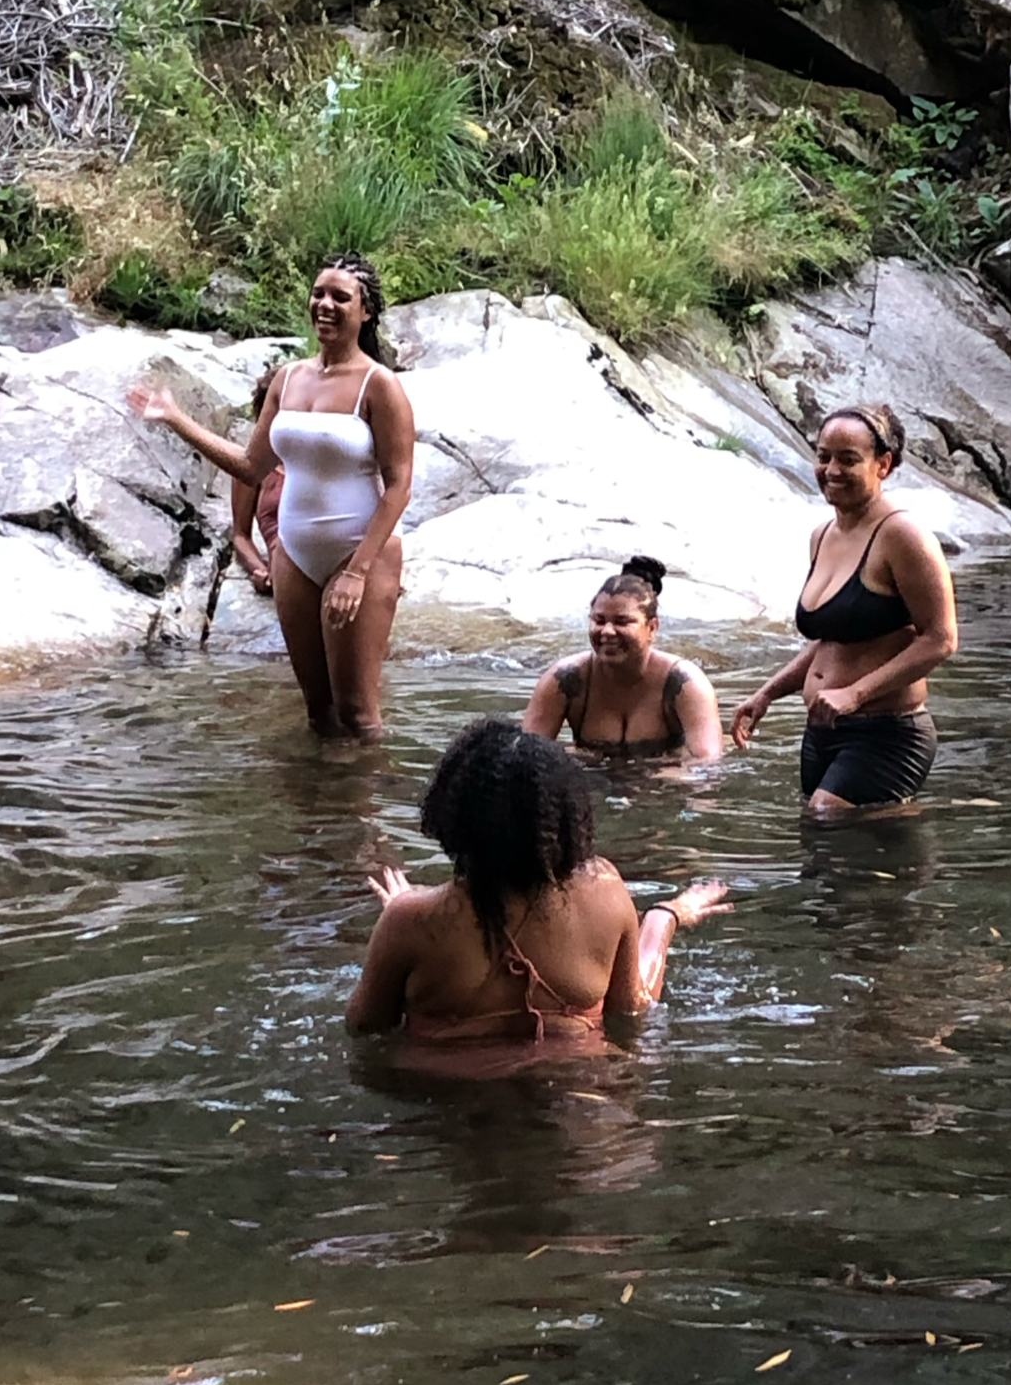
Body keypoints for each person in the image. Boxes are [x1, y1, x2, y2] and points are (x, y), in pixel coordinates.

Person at [129, 252, 415, 737]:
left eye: (340, 297)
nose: (324, 304)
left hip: (359, 553)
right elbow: (250, 466)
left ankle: (367, 813)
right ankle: (313, 814)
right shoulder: (287, 378)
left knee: (359, 718)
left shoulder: (379, 384)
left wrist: (356, 572)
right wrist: (175, 419)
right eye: (318, 293)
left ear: (365, 311)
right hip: (294, 556)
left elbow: (399, 485)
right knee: (319, 716)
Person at [346, 718, 728, 1051]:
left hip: (450, 1118)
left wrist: (406, 911)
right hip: (582, 1105)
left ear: (453, 816)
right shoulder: (606, 893)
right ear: (564, 823)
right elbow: (633, 1009)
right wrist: (665, 918)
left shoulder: (410, 920)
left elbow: (365, 1027)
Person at [730, 403, 958, 817]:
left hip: (888, 732)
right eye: (823, 456)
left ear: (883, 464)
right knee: (823, 856)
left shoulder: (903, 536)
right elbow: (828, 642)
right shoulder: (822, 535)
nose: (831, 469)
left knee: (831, 824)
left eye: (848, 459)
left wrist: (854, 695)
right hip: (823, 730)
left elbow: (941, 639)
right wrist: (767, 694)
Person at [523, 556, 723, 762]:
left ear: (652, 627)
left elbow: (707, 765)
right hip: (591, 783)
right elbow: (526, 758)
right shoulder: (564, 679)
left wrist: (653, 781)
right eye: (599, 620)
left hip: (661, 786)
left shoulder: (684, 683)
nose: (607, 631)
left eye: (622, 622)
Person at [229, 365, 285, 600]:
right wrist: (259, 569)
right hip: (284, 574)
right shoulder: (252, 466)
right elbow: (240, 535)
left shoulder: (324, 459)